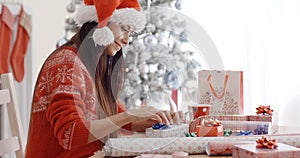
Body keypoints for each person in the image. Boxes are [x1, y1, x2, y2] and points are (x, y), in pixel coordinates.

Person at [25, 1, 184, 157]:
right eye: (123, 29)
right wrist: (129, 116)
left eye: (130, 33)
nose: (127, 40)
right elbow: (70, 133)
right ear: (102, 24)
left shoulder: (91, 64)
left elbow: (123, 120)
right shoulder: (66, 63)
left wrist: (160, 119)